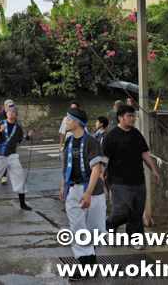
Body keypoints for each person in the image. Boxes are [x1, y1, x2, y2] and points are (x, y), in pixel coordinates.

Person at [101, 103, 160, 249]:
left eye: (133, 116)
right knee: (122, 210)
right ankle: (109, 224)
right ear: (120, 118)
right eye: (129, 116)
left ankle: (136, 238)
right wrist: (101, 176)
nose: (132, 119)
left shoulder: (136, 134)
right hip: (118, 180)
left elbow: (144, 153)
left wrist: (153, 169)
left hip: (138, 179)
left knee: (137, 210)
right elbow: (105, 159)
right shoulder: (111, 136)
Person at [60, 107, 106, 281]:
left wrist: (87, 193)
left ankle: (91, 261)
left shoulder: (92, 142)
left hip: (93, 190)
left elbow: (96, 169)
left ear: (76, 122)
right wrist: (63, 187)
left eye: (68, 119)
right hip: (73, 189)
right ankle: (84, 265)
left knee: (94, 229)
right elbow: (65, 168)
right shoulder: (68, 141)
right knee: (78, 228)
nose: (66, 122)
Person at [0, 103, 35, 210]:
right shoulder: (0, 124)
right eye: (9, 111)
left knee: (19, 176)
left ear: (16, 116)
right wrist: (0, 131)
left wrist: (28, 136)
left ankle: (22, 203)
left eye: (13, 112)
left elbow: (20, 140)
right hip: (0, 155)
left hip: (12, 155)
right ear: (7, 113)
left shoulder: (18, 128)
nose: (11, 113)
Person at [0, 100, 15, 184]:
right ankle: (0, 174)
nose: (10, 108)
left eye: (12, 106)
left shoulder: (13, 115)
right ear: (5, 106)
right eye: (9, 106)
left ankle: (3, 175)